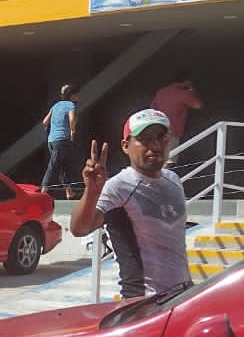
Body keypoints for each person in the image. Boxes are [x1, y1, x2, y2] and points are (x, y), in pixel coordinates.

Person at [70, 108, 191, 299]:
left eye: (161, 137)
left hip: (183, 295)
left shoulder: (173, 180)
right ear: (126, 146)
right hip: (145, 303)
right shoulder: (119, 186)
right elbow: (79, 228)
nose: (155, 145)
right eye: (144, 138)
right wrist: (91, 192)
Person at [40, 84, 77, 198]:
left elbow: (45, 122)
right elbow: (72, 119)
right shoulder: (71, 105)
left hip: (51, 140)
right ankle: (43, 190)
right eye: (76, 94)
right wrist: (72, 131)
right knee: (54, 165)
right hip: (62, 140)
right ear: (72, 95)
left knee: (62, 165)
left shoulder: (55, 106)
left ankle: (69, 191)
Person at [150, 70, 202, 143]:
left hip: (158, 129)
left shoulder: (162, 91)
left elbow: (152, 107)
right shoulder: (184, 94)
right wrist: (192, 91)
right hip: (172, 131)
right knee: (171, 153)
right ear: (187, 81)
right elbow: (198, 105)